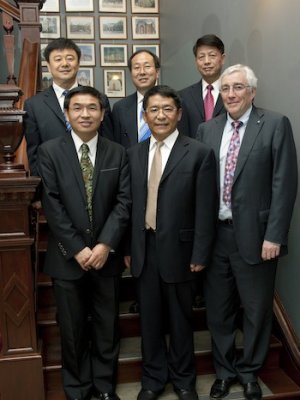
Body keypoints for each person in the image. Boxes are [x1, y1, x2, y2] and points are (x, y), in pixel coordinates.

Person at [196, 64, 298, 400]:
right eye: (226, 89)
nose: (231, 94)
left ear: (252, 91)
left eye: (238, 88)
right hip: (217, 237)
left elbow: (284, 184)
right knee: (219, 310)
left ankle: (250, 371)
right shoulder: (206, 130)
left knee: (256, 310)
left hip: (257, 239)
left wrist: (275, 235)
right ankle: (224, 372)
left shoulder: (274, 124)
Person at [37, 86, 131, 400]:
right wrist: (77, 248)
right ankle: (77, 389)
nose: (85, 114)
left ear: (103, 114)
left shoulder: (117, 152)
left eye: (92, 108)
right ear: (67, 114)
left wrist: (105, 245)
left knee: (107, 326)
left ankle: (105, 388)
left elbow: (123, 202)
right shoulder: (49, 151)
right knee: (72, 329)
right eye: (77, 108)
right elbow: (52, 204)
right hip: (67, 258)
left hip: (108, 257)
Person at [125, 85, 217, 400]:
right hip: (143, 248)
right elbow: (128, 206)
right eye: (154, 109)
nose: (160, 115)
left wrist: (201, 251)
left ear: (178, 114)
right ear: (145, 115)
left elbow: (206, 207)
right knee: (149, 321)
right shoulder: (133, 154)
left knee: (180, 320)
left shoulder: (199, 152)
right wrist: (127, 248)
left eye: (167, 109)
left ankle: (183, 381)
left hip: (181, 251)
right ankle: (152, 380)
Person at [24, 37, 114, 176]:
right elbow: (34, 154)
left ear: (78, 64)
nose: (64, 64)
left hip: (94, 178)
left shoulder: (99, 99)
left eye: (70, 58)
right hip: (53, 182)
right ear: (48, 65)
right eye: (58, 59)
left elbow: (108, 144)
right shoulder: (33, 105)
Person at [178, 34, 226, 138]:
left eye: (212, 55)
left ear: (222, 59)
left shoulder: (233, 94)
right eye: (201, 57)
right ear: (196, 62)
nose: (207, 61)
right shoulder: (183, 96)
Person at [112, 49, 160, 148]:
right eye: (137, 67)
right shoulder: (120, 108)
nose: (142, 72)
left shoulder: (173, 103)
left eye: (147, 66)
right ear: (131, 73)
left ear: (157, 72)